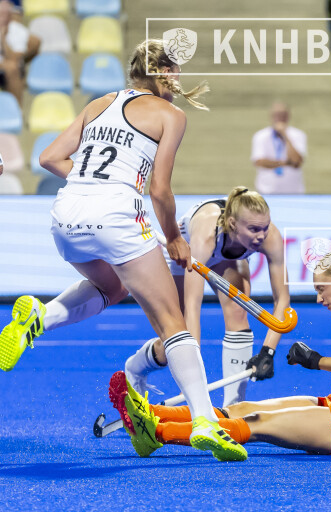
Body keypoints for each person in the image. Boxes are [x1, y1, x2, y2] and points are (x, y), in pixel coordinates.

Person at [0, 39, 247, 462]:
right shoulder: (171, 115)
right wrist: (174, 238)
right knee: (173, 324)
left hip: (66, 214)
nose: (179, 80)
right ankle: (206, 421)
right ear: (162, 73)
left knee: (111, 287)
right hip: (116, 215)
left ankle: (39, 317)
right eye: (176, 72)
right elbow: (160, 190)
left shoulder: (98, 103)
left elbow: (49, 157)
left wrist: (96, 186)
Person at [111, 238, 331, 457]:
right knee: (241, 408)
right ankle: (148, 412)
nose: (319, 299)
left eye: (321, 289)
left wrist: (314, 360)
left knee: (257, 422)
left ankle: (156, 431)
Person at [124, 185, 290, 407]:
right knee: (177, 332)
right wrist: (192, 383)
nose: (261, 236)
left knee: (238, 312)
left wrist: (267, 351)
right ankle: (136, 367)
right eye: (253, 229)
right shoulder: (205, 235)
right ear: (233, 224)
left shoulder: (270, 237)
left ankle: (234, 407)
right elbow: (193, 306)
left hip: (227, 255)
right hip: (184, 253)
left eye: (265, 227)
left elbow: (282, 300)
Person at [250, 102, 307, 194]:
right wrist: (285, 163)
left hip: (293, 191)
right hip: (266, 190)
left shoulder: (298, 135)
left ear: (288, 116)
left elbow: (296, 161)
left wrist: (285, 136)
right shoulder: (260, 136)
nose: (280, 118)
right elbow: (259, 162)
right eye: (277, 115)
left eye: (283, 115)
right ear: (271, 116)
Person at [0, 0, 40, 104]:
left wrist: (3, 38)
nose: (2, 18)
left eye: (5, 15)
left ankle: (16, 109)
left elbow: (14, 59)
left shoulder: (17, 31)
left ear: (11, 16)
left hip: (6, 65)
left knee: (13, 68)